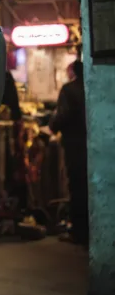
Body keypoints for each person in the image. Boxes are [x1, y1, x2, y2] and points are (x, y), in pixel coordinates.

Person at [50, 60, 88, 245]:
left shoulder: (69, 89)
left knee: (77, 187)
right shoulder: (92, 86)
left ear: (73, 71)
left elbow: (62, 115)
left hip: (74, 145)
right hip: (90, 143)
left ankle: (79, 232)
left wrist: (51, 127)